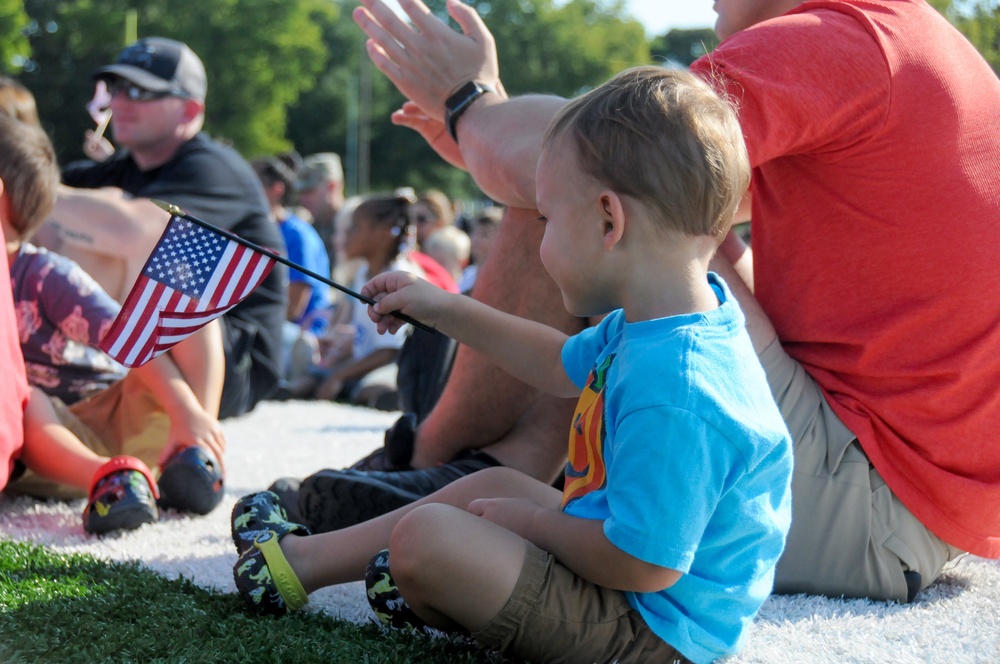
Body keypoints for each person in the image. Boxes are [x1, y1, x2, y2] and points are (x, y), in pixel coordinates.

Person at [306, 0, 1000, 605]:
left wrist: (472, 104)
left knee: (607, 202)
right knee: (622, 201)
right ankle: (501, 461)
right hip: (905, 507)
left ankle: (438, 459)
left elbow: (597, 167)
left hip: (865, 507)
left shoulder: (827, 41)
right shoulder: (910, 41)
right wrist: (489, 139)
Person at [231, 67, 792, 664]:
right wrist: (443, 307)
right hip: (625, 574)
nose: (539, 235)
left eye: (547, 219)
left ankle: (426, 574)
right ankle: (309, 563)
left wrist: (530, 524)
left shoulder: (678, 389)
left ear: (609, 221)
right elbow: (556, 362)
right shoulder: (660, 321)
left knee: (432, 537)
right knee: (490, 484)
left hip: (655, 632)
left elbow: (643, 563)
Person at [36, 36, 286, 420]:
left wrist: (24, 189)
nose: (118, 102)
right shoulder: (119, 169)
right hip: (153, 345)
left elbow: (133, 235)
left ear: (189, 109)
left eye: (138, 91)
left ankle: (195, 440)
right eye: (117, 89)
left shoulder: (216, 169)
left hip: (233, 363)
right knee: (47, 232)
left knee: (138, 248)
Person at [0, 113, 164, 534]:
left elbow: (130, 340)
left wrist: (187, 417)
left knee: (195, 322)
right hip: (45, 447)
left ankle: (189, 451)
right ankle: (112, 476)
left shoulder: (44, 274)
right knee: (29, 401)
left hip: (113, 413)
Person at [285, 192, 424, 407]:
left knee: (369, 388)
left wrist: (339, 376)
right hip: (361, 361)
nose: (346, 235)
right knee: (315, 375)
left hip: (394, 364)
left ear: (382, 233)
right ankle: (290, 389)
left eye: (354, 228)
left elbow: (390, 350)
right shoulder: (362, 274)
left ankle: (388, 398)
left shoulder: (397, 278)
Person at [296, 152, 346, 264]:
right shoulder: (308, 229)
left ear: (332, 186)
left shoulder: (354, 229)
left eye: (309, 191)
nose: (302, 199)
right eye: (300, 193)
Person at [458, 205, 503, 292]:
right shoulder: (467, 274)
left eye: (485, 234)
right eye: (475, 232)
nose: (476, 239)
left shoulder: (501, 278)